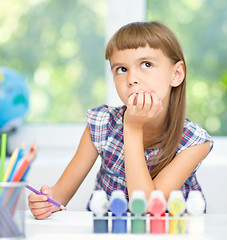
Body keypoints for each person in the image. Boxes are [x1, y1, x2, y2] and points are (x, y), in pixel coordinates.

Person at [28, 21, 213, 219]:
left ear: (176, 74)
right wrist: (46, 202)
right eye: (121, 69)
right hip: (109, 230)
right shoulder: (101, 124)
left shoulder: (193, 142)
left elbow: (147, 207)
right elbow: (60, 195)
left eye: (146, 64)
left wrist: (132, 128)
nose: (132, 78)